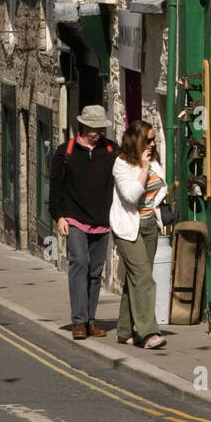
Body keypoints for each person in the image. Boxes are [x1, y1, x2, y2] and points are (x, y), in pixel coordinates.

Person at [49, 105, 116, 340]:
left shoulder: (110, 151)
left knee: (95, 272)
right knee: (79, 264)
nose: (98, 132)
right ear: (84, 126)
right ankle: (78, 321)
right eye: (94, 128)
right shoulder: (65, 152)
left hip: (102, 220)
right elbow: (55, 189)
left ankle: (90, 320)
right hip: (74, 218)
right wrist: (58, 217)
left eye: (101, 128)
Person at [111, 120, 168, 350]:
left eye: (154, 140)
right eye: (149, 140)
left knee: (136, 279)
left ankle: (124, 331)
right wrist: (143, 169)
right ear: (136, 142)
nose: (153, 144)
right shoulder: (121, 165)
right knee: (144, 278)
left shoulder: (153, 160)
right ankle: (148, 333)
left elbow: (159, 190)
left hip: (149, 227)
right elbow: (131, 197)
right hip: (127, 229)